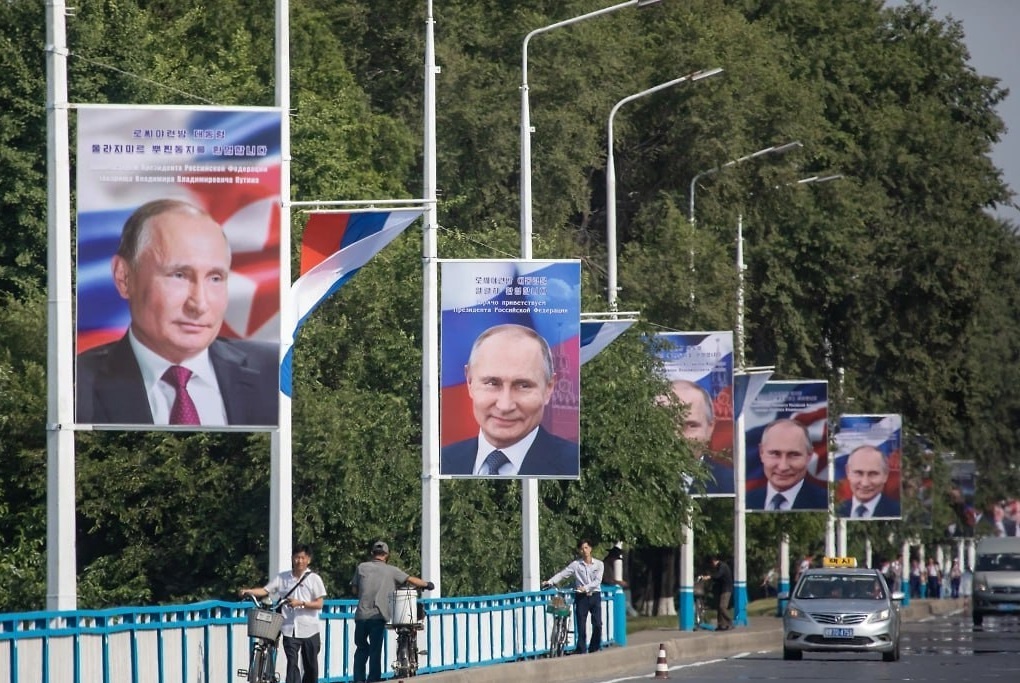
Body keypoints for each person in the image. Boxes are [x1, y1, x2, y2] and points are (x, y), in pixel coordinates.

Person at [76, 198, 278, 426]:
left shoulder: (275, 372)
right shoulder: (75, 387)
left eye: (215, 278)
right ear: (124, 277)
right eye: (179, 275)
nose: (199, 304)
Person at [440, 324, 577, 476]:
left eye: (523, 386)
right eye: (492, 383)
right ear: (470, 382)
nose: (505, 406)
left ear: (548, 388)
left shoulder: (576, 464)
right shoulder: (439, 463)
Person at [238, 544, 327, 683]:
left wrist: (301, 603)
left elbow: (319, 603)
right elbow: (265, 591)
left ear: (308, 559)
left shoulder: (314, 579)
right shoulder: (283, 578)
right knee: (292, 663)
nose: (300, 561)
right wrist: (248, 591)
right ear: (292, 559)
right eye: (297, 557)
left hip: (310, 628)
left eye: (303, 558)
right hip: (289, 628)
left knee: (311, 667)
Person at [350, 541, 433, 682]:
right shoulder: (391, 570)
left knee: (361, 649)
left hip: (361, 615)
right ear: (387, 555)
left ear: (372, 554)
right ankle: (373, 679)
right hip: (378, 616)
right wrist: (427, 585)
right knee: (375, 651)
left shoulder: (361, 567)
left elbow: (354, 589)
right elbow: (410, 579)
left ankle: (358, 679)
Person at [746, 419, 828, 510]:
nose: (783, 467)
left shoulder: (825, 503)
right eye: (775, 454)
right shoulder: (746, 501)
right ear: (761, 453)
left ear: (809, 456)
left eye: (793, 455)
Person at [669, 379, 733, 494]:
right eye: (666, 424)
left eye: (691, 426)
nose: (676, 436)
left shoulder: (731, 485)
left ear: (710, 428)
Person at [543, 539, 605, 654]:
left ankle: (594, 647)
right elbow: (563, 574)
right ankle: (581, 648)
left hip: (594, 595)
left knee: (597, 624)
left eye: (586, 548)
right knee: (581, 624)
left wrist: (585, 587)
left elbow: (597, 581)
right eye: (582, 549)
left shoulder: (599, 564)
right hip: (581, 597)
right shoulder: (576, 565)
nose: (584, 551)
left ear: (590, 549)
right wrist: (550, 581)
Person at [837, 445, 900, 518]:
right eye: (858, 473)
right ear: (848, 472)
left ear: (885, 475)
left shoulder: (896, 512)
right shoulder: (837, 510)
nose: (865, 483)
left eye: (873, 474)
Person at [710, 554, 734, 631]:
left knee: (722, 607)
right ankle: (721, 625)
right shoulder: (719, 567)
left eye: (712, 562)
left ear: (715, 561)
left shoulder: (722, 566)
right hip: (722, 589)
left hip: (726, 590)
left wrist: (709, 576)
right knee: (719, 608)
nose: (712, 564)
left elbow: (718, 576)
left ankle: (730, 621)